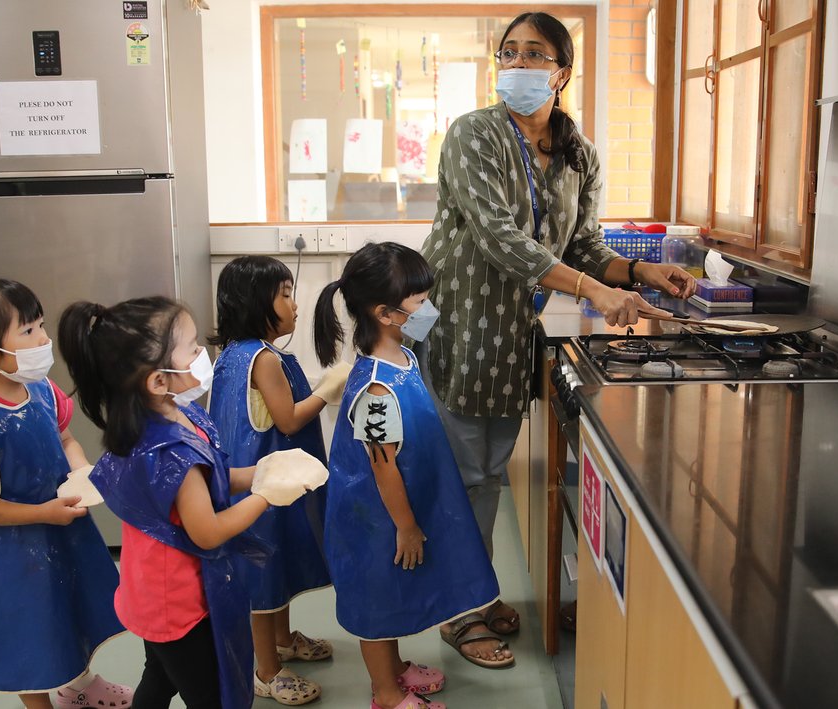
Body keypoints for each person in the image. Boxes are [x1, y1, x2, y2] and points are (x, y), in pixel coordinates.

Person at [420, 11, 696, 654]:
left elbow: (588, 245)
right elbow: (497, 236)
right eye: (508, 53)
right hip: (460, 323)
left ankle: (476, 592)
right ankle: (460, 609)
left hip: (513, 332)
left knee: (487, 468)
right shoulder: (473, 135)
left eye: (534, 54)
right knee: (466, 472)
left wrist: (637, 269)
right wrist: (596, 289)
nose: (517, 64)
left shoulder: (580, 156)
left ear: (561, 72)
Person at [58, 295, 311, 709]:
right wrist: (266, 496)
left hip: (149, 587)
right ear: (158, 380)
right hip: (175, 603)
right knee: (209, 694)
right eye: (193, 349)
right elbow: (208, 532)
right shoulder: (172, 452)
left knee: (159, 676)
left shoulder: (174, 414)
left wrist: (259, 473)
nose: (203, 355)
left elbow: (213, 480)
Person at [314, 242, 509, 709]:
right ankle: (384, 692)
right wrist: (405, 525)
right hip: (376, 517)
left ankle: (396, 670)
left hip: (394, 510)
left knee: (393, 591)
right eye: (420, 303)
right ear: (385, 313)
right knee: (375, 602)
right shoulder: (377, 388)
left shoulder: (404, 358)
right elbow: (383, 470)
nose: (429, 309)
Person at [0, 278, 132, 709]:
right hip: (10, 554)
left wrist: (82, 472)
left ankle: (78, 682)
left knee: (65, 609)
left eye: (40, 325)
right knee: (30, 629)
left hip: (56, 528)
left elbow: (66, 439)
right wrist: (41, 513)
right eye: (28, 331)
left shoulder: (40, 390)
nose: (44, 338)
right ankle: (40, 703)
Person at [208, 256, 350, 706]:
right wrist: (327, 391)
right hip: (265, 481)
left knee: (280, 560)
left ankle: (285, 639)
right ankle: (267, 669)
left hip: (262, 477)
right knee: (264, 572)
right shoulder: (264, 360)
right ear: (257, 303)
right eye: (285, 294)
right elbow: (287, 421)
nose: (294, 303)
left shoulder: (232, 353)